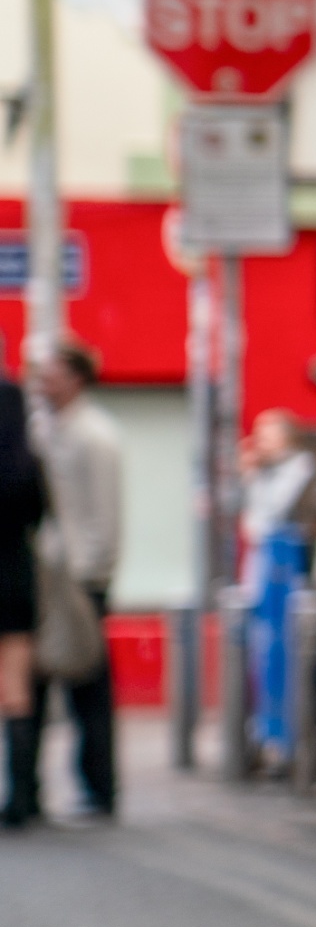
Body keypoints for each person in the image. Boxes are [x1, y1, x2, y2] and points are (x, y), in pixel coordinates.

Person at [7, 340, 120, 824]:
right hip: (47, 577)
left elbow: (105, 514)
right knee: (36, 681)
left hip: (78, 581)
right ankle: (30, 790)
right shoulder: (46, 430)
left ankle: (100, 787)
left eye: (49, 374)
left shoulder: (95, 435)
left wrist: (91, 577)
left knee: (87, 686)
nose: (40, 382)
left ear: (74, 378)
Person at [0, 389, 45, 822]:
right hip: (14, 582)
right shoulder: (24, 462)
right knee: (16, 692)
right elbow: (40, 515)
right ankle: (22, 796)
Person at [235, 410, 316, 579]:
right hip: (262, 554)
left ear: (285, 439)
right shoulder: (264, 469)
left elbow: (275, 512)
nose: (258, 444)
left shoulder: (302, 467)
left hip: (289, 556)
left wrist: (253, 475)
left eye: (265, 438)